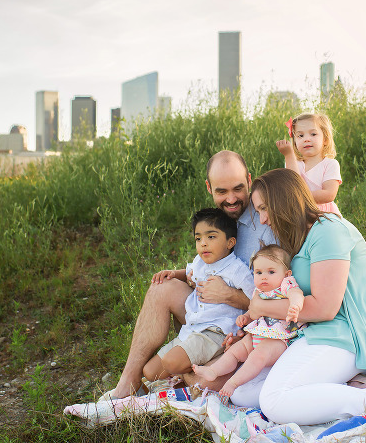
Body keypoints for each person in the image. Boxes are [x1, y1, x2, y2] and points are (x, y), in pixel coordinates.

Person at [231, 168, 366, 429]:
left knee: (273, 402)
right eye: (259, 211)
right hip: (316, 331)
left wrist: (260, 306)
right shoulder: (299, 236)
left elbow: (325, 308)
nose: (264, 219)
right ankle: (344, 385)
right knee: (240, 392)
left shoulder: (329, 231)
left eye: (265, 208)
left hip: (351, 332)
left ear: (285, 200)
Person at [99, 151, 277, 402]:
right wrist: (183, 275)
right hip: (205, 316)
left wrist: (229, 295)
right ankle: (129, 381)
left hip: (242, 328)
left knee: (205, 382)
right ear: (209, 187)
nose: (231, 199)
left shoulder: (265, 223)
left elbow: (274, 301)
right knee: (162, 287)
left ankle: (189, 372)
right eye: (221, 191)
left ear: (249, 180)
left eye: (238, 189)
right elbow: (204, 268)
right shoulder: (213, 221)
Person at [143, 208, 255, 383]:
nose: (203, 243)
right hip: (192, 329)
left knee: (172, 363)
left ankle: (206, 365)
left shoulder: (237, 270)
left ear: (230, 242)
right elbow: (189, 271)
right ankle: (187, 372)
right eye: (198, 238)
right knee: (150, 373)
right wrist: (173, 273)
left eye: (211, 237)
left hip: (216, 332)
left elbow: (255, 299)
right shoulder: (200, 261)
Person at [192, 244, 304, 397]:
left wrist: (295, 306)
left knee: (258, 355)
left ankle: (233, 383)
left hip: (279, 338)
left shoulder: (285, 285)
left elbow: (296, 293)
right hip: (258, 333)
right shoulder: (259, 291)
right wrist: (246, 317)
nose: (264, 276)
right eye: (259, 272)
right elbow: (254, 311)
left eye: (271, 272)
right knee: (235, 351)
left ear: (286, 274)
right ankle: (213, 371)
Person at [276, 113, 342, 215]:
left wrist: (300, 197)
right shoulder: (293, 163)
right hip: (300, 214)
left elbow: (329, 194)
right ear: (295, 142)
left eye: (313, 134)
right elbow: (294, 184)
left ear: (325, 139)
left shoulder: (330, 164)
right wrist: (289, 155)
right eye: (300, 135)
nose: (306, 139)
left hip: (324, 215)